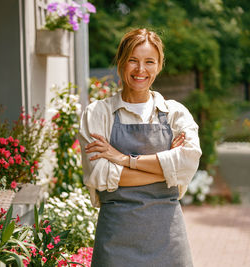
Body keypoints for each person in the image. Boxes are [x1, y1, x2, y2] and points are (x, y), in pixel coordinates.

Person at [79, 28, 202, 267]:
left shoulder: (176, 113)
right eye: (133, 61)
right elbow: (99, 175)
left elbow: (187, 166)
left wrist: (123, 160)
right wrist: (166, 168)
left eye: (149, 62)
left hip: (168, 237)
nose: (140, 70)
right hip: (116, 237)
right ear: (121, 62)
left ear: (159, 66)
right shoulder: (98, 114)